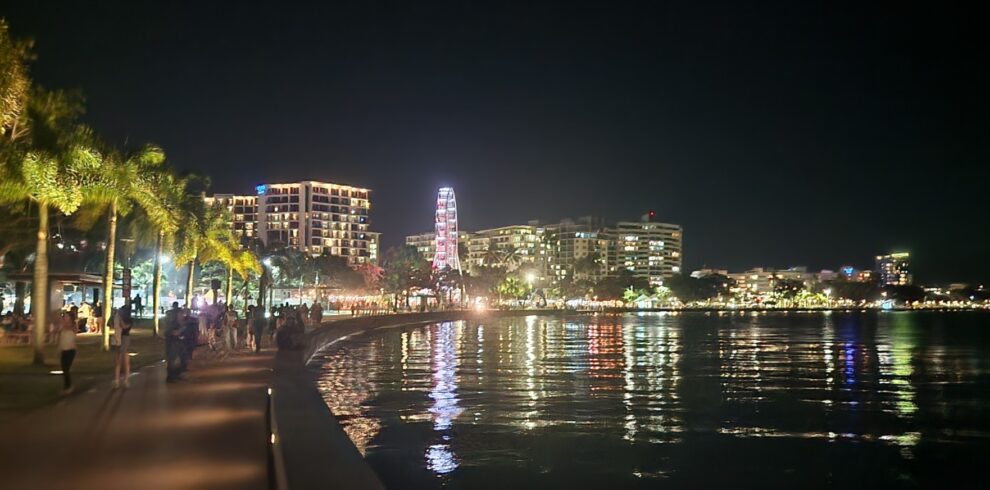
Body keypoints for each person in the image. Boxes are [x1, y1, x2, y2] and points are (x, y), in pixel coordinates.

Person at [112, 302, 133, 389]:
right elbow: (111, 324)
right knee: (118, 360)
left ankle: (126, 380)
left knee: (125, 359)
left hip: (124, 338)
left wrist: (119, 318)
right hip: (118, 338)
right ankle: (116, 380)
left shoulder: (129, 320)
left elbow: (124, 327)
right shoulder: (118, 316)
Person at [57, 311, 77, 394]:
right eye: (64, 316)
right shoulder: (62, 326)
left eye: (66, 316)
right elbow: (60, 338)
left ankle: (68, 387)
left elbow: (73, 329)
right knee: (64, 369)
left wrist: (64, 323)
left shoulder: (73, 325)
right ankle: (66, 387)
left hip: (70, 350)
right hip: (63, 350)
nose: (64, 317)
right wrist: (59, 349)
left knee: (66, 369)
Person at [164, 302, 183, 382]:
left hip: (173, 341)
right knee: (173, 358)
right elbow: (173, 332)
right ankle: (171, 376)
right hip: (173, 341)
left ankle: (175, 375)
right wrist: (181, 330)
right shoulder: (173, 322)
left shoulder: (170, 317)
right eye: (180, 315)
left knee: (175, 358)